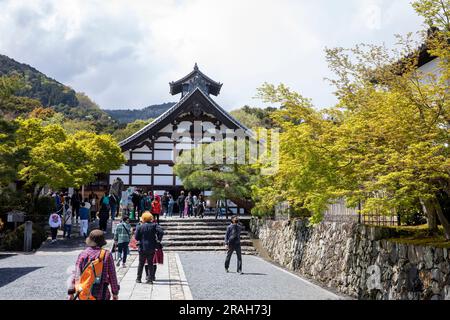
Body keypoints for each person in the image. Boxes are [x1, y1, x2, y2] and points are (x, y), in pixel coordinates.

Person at [68, 229, 120, 300]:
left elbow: (75, 274)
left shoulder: (83, 254)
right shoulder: (106, 255)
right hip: (102, 294)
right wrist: (115, 293)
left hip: (84, 293)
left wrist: (71, 292)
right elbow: (112, 275)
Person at [134, 212, 164, 284]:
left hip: (142, 247)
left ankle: (138, 278)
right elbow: (161, 232)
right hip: (151, 247)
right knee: (150, 263)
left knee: (141, 263)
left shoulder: (140, 226)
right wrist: (159, 239)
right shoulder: (154, 225)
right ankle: (150, 279)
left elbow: (136, 237)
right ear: (151, 218)